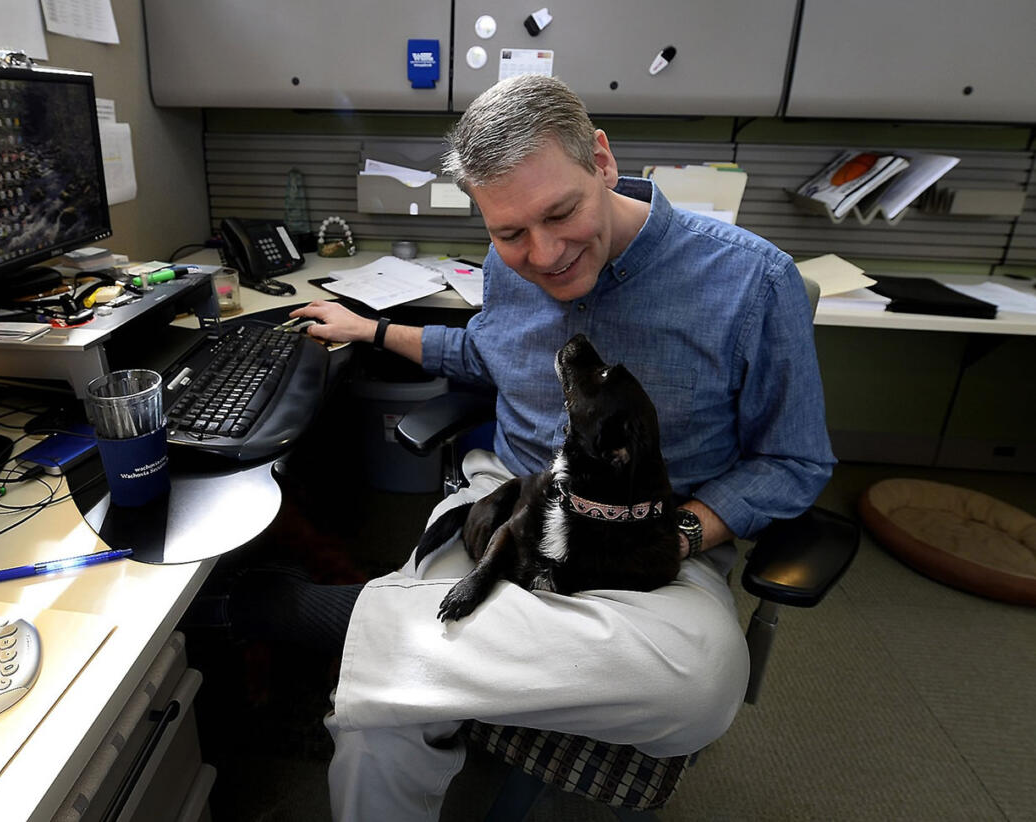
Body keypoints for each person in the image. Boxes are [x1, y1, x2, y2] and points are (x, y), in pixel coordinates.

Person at [227, 74, 834, 821]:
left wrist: (675, 535)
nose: (543, 255)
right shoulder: (504, 269)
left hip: (652, 541)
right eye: (510, 233)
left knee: (704, 684)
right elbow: (490, 355)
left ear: (603, 162)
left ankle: (347, 622)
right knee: (377, 730)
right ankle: (420, 646)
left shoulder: (752, 281)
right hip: (503, 512)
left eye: (561, 213)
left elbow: (795, 460)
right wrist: (374, 331)